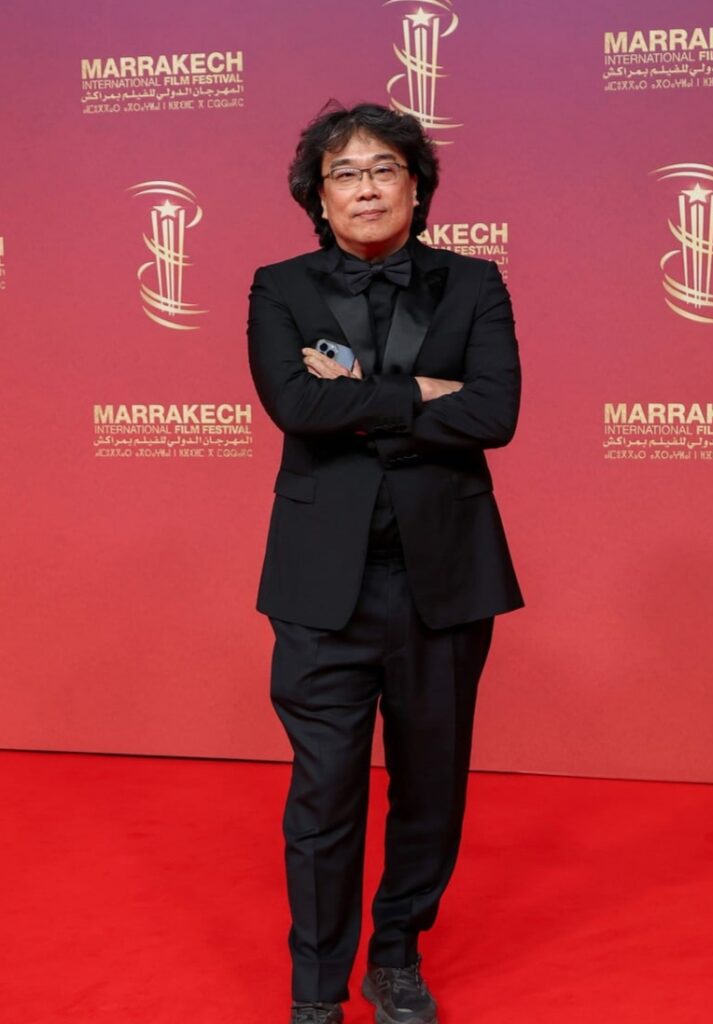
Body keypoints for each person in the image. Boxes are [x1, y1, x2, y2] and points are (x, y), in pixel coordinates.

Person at [247, 101, 523, 1024]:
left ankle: (397, 955)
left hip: (446, 578)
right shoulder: (279, 287)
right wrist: (423, 395)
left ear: (416, 187)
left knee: (430, 786)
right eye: (345, 173)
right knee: (323, 793)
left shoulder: (474, 282)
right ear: (319, 198)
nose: (365, 188)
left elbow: (494, 414)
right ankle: (316, 991)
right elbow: (296, 407)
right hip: (320, 585)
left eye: (383, 170)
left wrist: (361, 396)